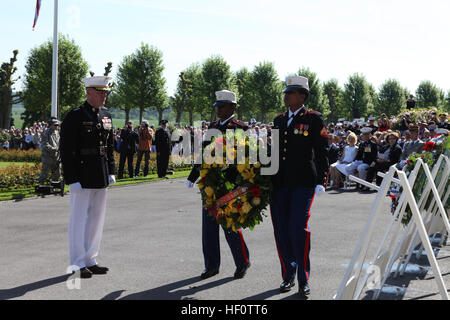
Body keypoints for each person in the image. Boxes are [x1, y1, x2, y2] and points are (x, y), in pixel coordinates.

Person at [270, 76, 329, 297]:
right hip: (279, 184)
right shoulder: (278, 120)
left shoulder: (313, 119)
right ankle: (288, 274)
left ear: (302, 96)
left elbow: (321, 151)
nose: (286, 96)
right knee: (281, 230)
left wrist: (322, 179)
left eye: (290, 93)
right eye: (285, 92)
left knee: (297, 228)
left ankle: (303, 278)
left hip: (303, 182)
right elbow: (274, 153)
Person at [186, 90, 251, 280]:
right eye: (217, 107)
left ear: (233, 107)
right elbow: (204, 154)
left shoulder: (240, 127)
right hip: (210, 182)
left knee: (229, 224)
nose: (219, 110)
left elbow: (245, 157)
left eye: (222, 106)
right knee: (209, 226)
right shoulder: (213, 127)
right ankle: (212, 265)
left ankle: (242, 261)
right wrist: (192, 176)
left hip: (229, 182)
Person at [60, 76, 115, 279]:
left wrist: (111, 171)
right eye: (100, 92)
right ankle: (77, 262)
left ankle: (91, 258)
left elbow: (109, 147)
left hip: (100, 173)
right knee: (79, 219)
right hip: (81, 175)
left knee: (96, 219)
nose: (104, 96)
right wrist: (71, 179)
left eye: (106, 92)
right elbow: (66, 150)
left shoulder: (106, 115)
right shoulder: (74, 116)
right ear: (89, 92)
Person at [38, 118, 61, 186]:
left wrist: (60, 148)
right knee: (45, 170)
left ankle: (56, 184)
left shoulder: (57, 132)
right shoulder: (45, 133)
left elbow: (58, 142)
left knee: (57, 170)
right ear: (50, 125)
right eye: (55, 125)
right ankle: (41, 184)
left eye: (57, 125)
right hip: (47, 155)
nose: (57, 126)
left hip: (56, 155)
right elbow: (45, 144)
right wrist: (54, 149)